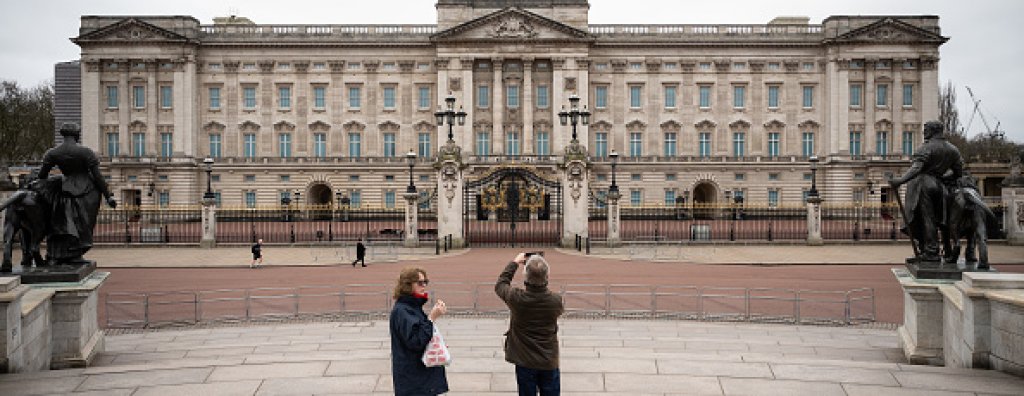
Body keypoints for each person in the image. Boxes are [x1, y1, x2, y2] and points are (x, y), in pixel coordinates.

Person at [35, 123, 116, 264]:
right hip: (86, 191)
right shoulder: (86, 152)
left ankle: (56, 255)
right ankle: (75, 255)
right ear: (77, 135)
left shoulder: (52, 153)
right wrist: (108, 196)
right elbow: (98, 177)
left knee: (62, 223)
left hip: (64, 189)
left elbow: (42, 176)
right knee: (83, 224)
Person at [888, 121, 964, 263]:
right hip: (940, 187)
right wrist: (941, 177)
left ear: (934, 130)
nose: (924, 132)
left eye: (926, 129)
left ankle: (931, 252)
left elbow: (916, 168)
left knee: (926, 219)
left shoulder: (925, 147)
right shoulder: (953, 149)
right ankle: (931, 249)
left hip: (923, 185)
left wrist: (900, 181)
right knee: (939, 220)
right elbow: (958, 172)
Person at [495, 253, 565, 396]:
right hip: (548, 358)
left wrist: (514, 262)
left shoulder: (516, 298)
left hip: (524, 359)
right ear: (547, 276)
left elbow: (501, 284)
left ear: (526, 276)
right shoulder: (556, 301)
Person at [390, 266, 448, 396]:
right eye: (420, 283)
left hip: (418, 378)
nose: (424, 286)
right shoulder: (403, 311)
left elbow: (420, 335)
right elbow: (416, 341)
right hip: (414, 381)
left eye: (425, 282)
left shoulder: (411, 307)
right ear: (407, 285)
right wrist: (432, 317)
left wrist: (435, 343)